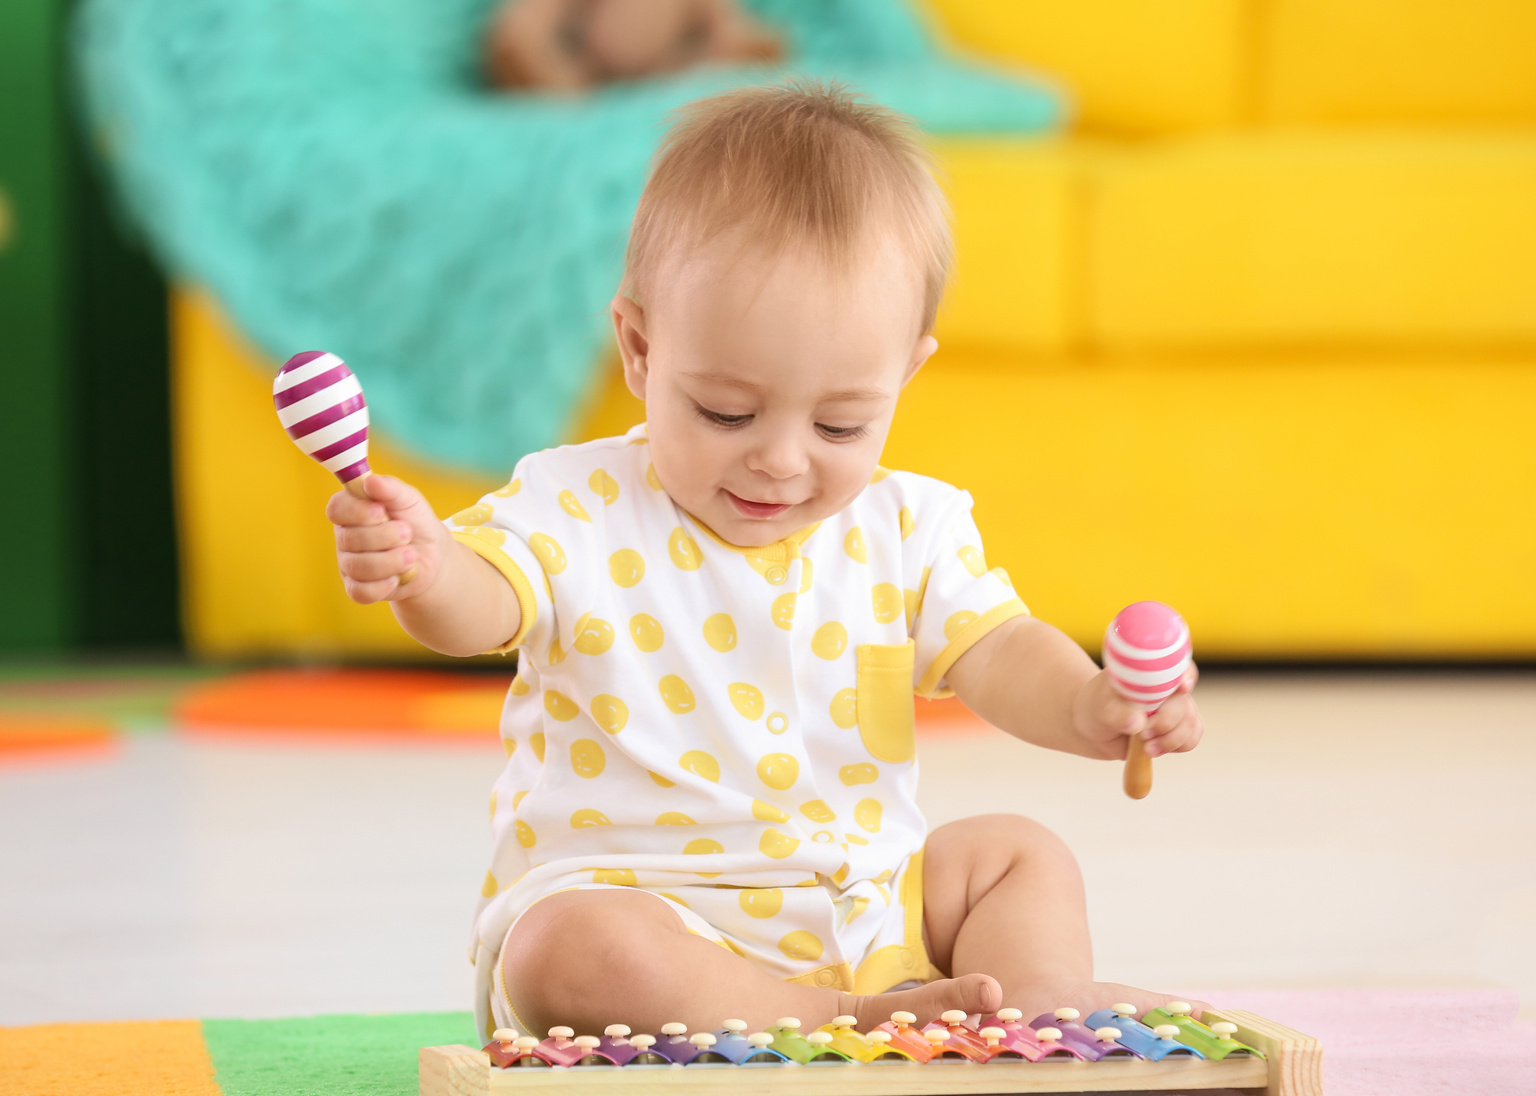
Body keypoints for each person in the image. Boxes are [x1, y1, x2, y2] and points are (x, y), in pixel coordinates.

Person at [325, 79, 1206, 1043]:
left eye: (840, 423)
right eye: (726, 413)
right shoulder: (576, 504)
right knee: (562, 953)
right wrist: (424, 564)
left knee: (1020, 856)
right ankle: (850, 1019)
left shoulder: (908, 526)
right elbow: (478, 604)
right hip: (651, 921)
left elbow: (998, 653)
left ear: (905, 375)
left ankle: (1034, 1012)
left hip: (867, 909)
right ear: (640, 348)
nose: (782, 461)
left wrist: (1090, 705)